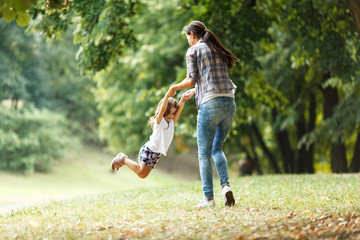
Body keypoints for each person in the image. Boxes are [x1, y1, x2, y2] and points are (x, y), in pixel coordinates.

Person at [168, 20, 238, 207]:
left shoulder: (194, 50)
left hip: (210, 104)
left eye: (187, 38)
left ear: (192, 34)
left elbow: (192, 79)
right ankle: (225, 187)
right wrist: (195, 90)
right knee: (217, 148)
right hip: (229, 103)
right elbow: (208, 78)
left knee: (204, 153)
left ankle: (208, 198)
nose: (188, 42)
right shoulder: (216, 48)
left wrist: (174, 87)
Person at [110, 92, 189, 178]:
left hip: (157, 153)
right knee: (140, 172)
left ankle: (123, 159)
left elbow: (178, 112)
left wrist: (183, 100)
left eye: (173, 113)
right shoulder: (159, 121)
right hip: (150, 149)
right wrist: (167, 96)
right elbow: (162, 109)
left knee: (143, 175)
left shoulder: (171, 124)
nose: (171, 115)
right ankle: (123, 159)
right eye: (168, 112)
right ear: (164, 111)